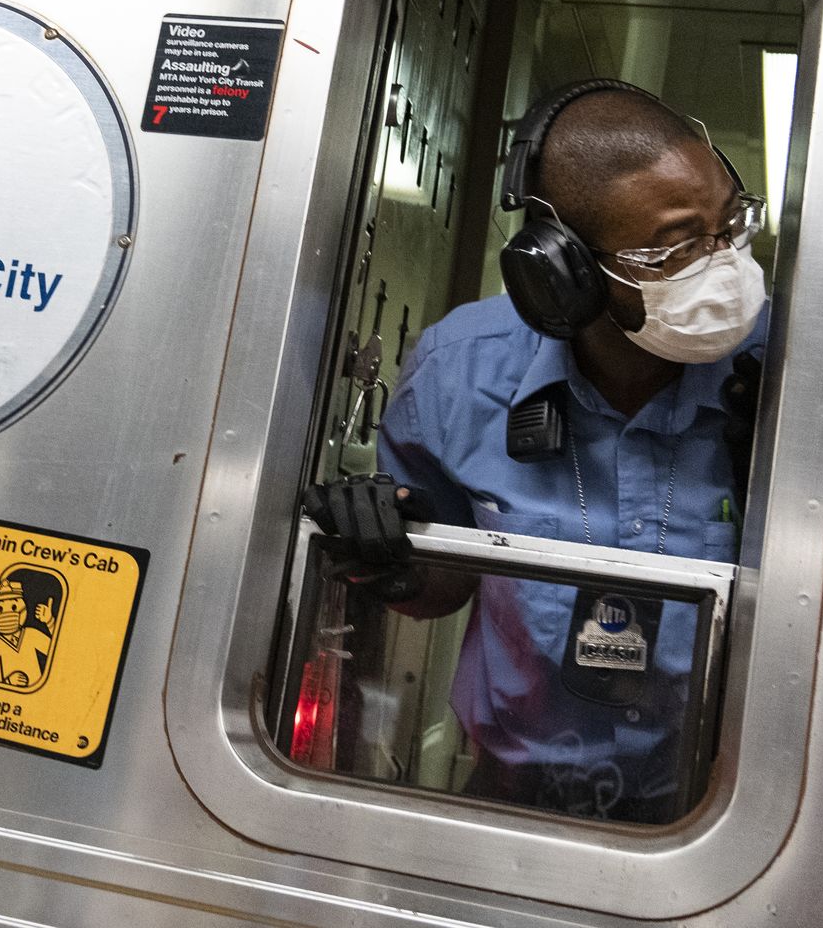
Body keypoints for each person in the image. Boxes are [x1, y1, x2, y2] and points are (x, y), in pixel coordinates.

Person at [306, 80, 767, 823]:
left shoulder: (784, 376)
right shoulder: (459, 373)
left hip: (725, 817)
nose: (722, 265)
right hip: (515, 806)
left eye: (730, 223)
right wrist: (384, 556)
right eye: (675, 247)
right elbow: (442, 591)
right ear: (563, 271)